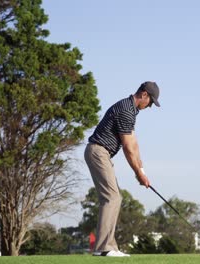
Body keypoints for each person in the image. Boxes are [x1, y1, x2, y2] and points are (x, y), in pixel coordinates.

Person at [84, 81, 160, 257]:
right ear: (144, 95)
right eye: (150, 102)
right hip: (98, 152)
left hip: (100, 153)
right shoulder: (126, 110)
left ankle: (106, 248)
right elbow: (127, 147)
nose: (150, 107)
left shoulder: (130, 109)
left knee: (112, 197)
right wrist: (137, 173)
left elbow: (134, 143)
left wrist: (142, 171)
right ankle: (105, 248)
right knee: (112, 197)